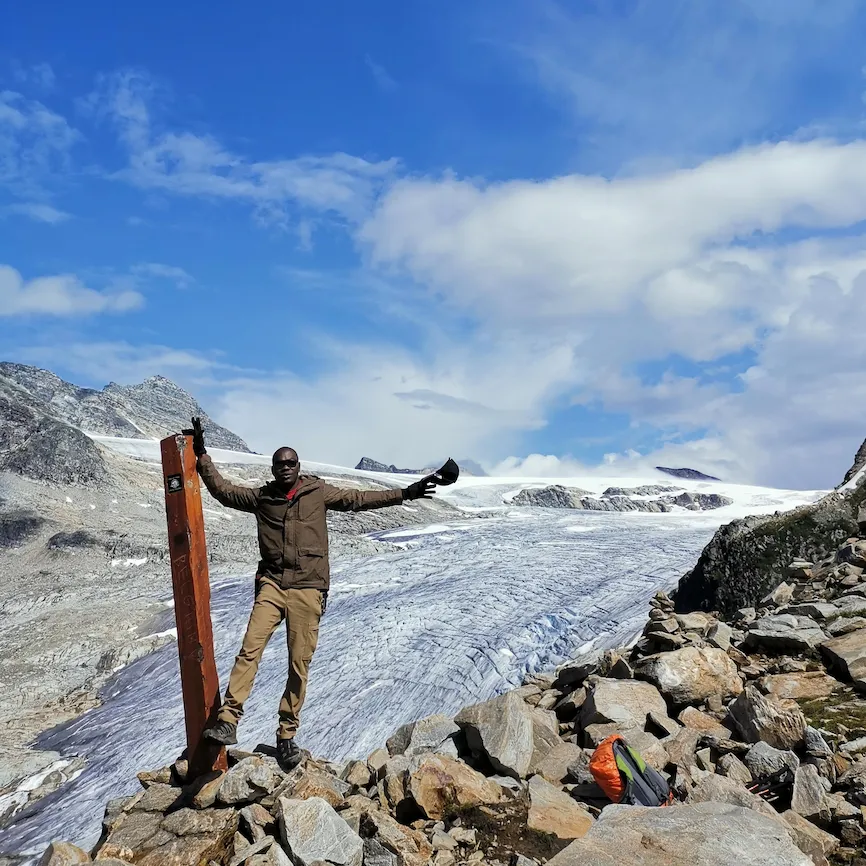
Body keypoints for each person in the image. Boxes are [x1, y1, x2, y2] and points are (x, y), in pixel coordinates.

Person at [189, 417, 436, 771]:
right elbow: (223, 490)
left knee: (298, 664)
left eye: (291, 462)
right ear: (273, 469)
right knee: (249, 649)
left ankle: (286, 736)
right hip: (273, 585)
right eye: (280, 463)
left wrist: (406, 493)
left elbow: (358, 499)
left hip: (308, 588)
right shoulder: (263, 497)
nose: (286, 467)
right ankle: (228, 720)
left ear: (298, 466)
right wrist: (202, 455)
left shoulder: (316, 492)